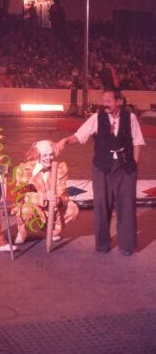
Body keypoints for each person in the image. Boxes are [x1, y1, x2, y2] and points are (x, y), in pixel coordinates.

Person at [57, 89, 146, 256]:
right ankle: (102, 244)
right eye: (103, 100)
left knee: (126, 205)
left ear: (119, 101)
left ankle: (127, 246)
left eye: (109, 101)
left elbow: (138, 143)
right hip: (101, 166)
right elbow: (80, 136)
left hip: (125, 166)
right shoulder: (96, 118)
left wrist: (133, 167)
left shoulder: (130, 117)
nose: (105, 104)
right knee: (101, 204)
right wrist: (66, 140)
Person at [10, 140, 79, 244]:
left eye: (51, 155)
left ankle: (52, 232)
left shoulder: (60, 168)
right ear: (38, 155)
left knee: (72, 209)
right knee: (25, 210)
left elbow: (62, 192)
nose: (49, 158)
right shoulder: (25, 169)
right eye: (45, 155)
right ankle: (22, 232)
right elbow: (22, 196)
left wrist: (58, 199)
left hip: (51, 207)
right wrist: (43, 197)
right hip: (33, 205)